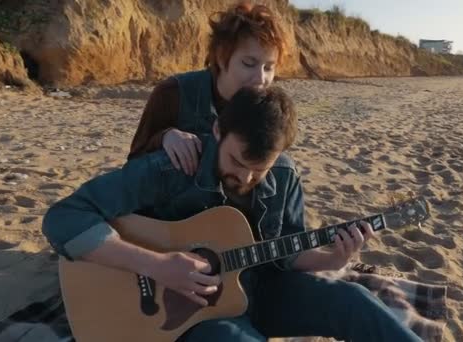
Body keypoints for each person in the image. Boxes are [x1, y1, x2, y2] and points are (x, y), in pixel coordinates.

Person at [42, 86, 422, 342]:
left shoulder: (285, 176)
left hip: (263, 290)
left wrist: (334, 257)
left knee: (353, 299)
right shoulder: (173, 168)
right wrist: (157, 265)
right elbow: (64, 218)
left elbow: (286, 253)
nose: (245, 177)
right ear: (217, 129)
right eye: (237, 161)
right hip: (193, 313)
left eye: (260, 169)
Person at [128, 1, 286, 176]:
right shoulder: (173, 93)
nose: (261, 79)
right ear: (220, 56)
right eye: (249, 64)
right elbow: (133, 165)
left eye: (269, 68)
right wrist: (164, 137)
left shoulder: (267, 108)